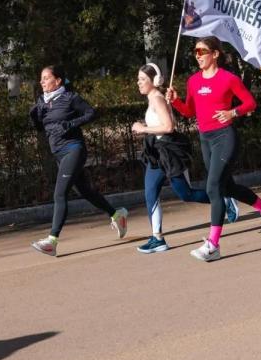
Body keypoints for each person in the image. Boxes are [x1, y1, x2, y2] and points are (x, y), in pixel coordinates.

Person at [166, 36, 261, 262]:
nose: (198, 56)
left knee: (213, 187)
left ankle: (213, 244)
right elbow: (190, 112)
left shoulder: (228, 79)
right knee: (226, 187)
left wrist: (232, 113)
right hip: (206, 138)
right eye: (195, 52)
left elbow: (250, 103)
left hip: (225, 137)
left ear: (215, 54)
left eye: (202, 51)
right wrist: (176, 102)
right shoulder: (193, 81)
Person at [29, 65, 128, 257]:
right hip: (58, 153)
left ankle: (52, 241)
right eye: (41, 78)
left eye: (46, 78)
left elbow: (90, 113)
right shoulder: (42, 101)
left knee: (59, 194)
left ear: (58, 81)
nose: (42, 82)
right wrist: (34, 119)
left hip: (73, 149)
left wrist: (71, 124)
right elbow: (43, 128)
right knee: (85, 191)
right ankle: (117, 215)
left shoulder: (70, 97)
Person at [132, 63, 216, 254]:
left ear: (154, 81)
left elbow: (169, 126)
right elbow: (161, 123)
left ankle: (222, 199)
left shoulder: (158, 99)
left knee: (185, 194)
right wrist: (146, 125)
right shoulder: (153, 98)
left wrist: (143, 128)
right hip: (156, 152)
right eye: (138, 79)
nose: (139, 83)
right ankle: (157, 238)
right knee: (150, 192)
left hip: (168, 152)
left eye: (142, 79)